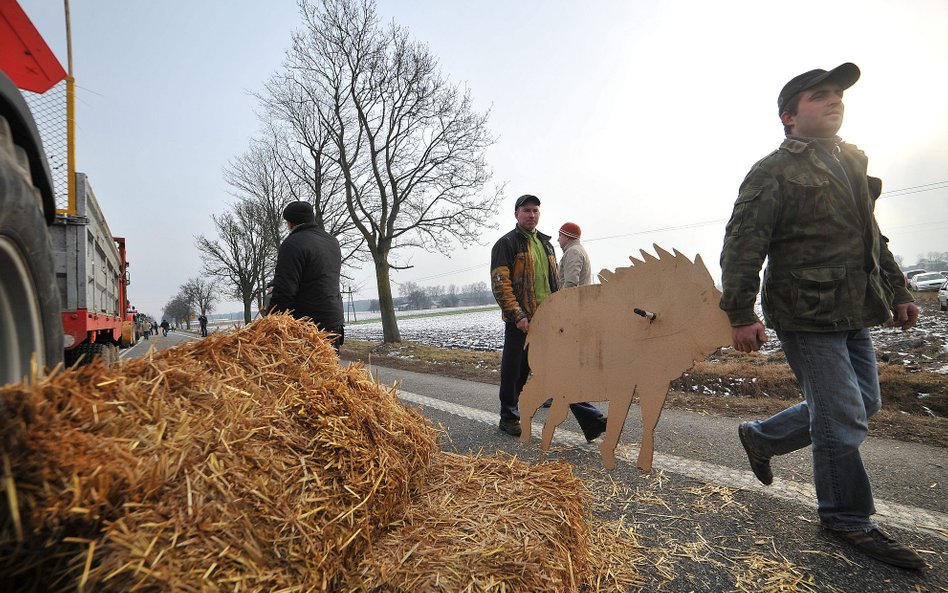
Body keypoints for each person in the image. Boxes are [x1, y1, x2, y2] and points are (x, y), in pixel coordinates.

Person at [719, 63, 925, 570]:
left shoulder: (851, 162)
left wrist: (898, 291)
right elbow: (743, 244)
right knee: (840, 416)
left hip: (854, 306)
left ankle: (762, 437)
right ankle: (846, 517)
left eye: (837, 94)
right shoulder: (773, 170)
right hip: (804, 311)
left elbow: (871, 238)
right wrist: (740, 313)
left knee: (866, 403)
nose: (834, 101)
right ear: (789, 116)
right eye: (819, 96)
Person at [490, 194, 607, 440]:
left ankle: (591, 420)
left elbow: (555, 282)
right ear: (516, 214)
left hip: (547, 321)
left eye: (535, 211)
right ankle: (509, 417)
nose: (531, 215)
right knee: (515, 371)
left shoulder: (546, 244)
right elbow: (501, 284)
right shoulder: (507, 244)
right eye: (526, 211)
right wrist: (517, 315)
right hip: (521, 321)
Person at [267, 201, 345, 352]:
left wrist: (271, 324)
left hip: (307, 327)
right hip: (333, 321)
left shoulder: (292, 244)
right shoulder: (332, 241)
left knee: (304, 374)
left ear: (289, 223)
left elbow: (285, 291)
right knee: (330, 373)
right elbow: (315, 276)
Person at [557, 222, 592, 288]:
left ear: (567, 237)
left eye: (560, 235)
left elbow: (571, 283)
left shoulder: (573, 252)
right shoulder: (578, 250)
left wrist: (563, 297)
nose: (558, 239)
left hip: (574, 297)